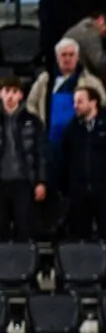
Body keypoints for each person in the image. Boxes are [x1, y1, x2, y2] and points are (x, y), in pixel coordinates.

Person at [55, 84, 106, 241]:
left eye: (80, 101)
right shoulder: (71, 130)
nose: (75, 106)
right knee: (80, 235)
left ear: (93, 102)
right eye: (74, 102)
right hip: (79, 191)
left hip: (105, 191)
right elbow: (65, 159)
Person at [0, 76, 44, 241]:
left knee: (23, 227)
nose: (10, 96)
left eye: (14, 91)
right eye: (6, 91)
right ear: (0, 94)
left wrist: (40, 181)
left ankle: (24, 266)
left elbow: (40, 153)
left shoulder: (32, 121)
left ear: (21, 95)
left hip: (23, 182)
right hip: (1, 182)